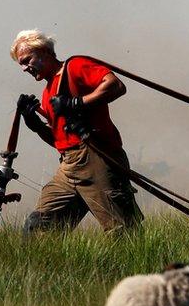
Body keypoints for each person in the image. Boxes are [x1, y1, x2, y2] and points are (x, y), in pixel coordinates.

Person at [10, 29, 142, 234]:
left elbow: (116, 85)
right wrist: (35, 125)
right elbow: (60, 142)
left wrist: (76, 103)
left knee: (123, 231)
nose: (25, 68)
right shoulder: (47, 94)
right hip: (69, 166)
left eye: (27, 60)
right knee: (39, 227)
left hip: (98, 158)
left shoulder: (75, 67)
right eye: (21, 64)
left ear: (44, 51)